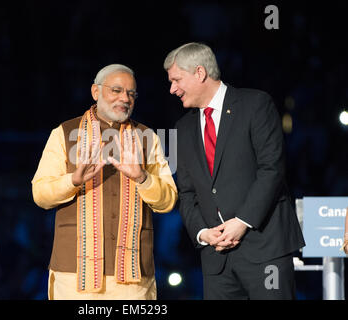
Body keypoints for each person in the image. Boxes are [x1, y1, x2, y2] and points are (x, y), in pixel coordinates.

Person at [164, 42, 305, 299]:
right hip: (216, 259)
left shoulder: (256, 104)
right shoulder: (181, 128)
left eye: (176, 80)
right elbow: (186, 192)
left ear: (199, 73)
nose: (172, 89)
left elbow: (271, 169)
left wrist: (242, 222)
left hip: (264, 249)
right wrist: (202, 233)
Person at [31, 64, 177, 300]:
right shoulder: (64, 132)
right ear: (95, 92)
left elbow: (168, 200)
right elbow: (40, 194)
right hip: (74, 278)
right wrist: (73, 181)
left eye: (131, 93)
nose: (125, 98)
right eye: (116, 90)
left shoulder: (147, 137)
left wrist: (142, 177)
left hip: (133, 280)